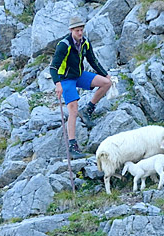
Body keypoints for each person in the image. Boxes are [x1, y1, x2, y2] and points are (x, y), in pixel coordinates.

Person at [50, 16, 111, 159]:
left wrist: (106, 74)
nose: (80, 33)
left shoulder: (85, 42)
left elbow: (93, 60)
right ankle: (72, 145)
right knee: (73, 109)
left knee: (106, 83)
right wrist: (57, 84)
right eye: (77, 30)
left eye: (81, 30)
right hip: (65, 78)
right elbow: (53, 67)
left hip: (78, 74)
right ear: (71, 30)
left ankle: (88, 109)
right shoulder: (64, 45)